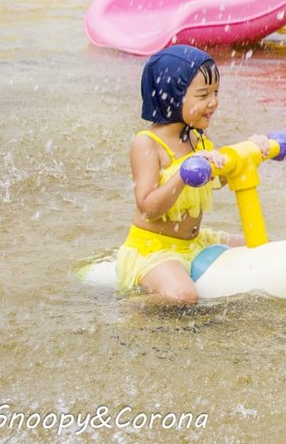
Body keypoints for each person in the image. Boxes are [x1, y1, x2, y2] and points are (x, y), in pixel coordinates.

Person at [116, 45, 270, 304]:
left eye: (216, 92)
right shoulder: (148, 144)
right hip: (154, 248)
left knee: (259, 247)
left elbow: (219, 177)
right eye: (202, 95)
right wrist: (182, 175)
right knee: (184, 297)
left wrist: (252, 153)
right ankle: (126, 307)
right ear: (172, 96)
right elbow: (148, 208)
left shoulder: (197, 137)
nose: (213, 103)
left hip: (195, 241)